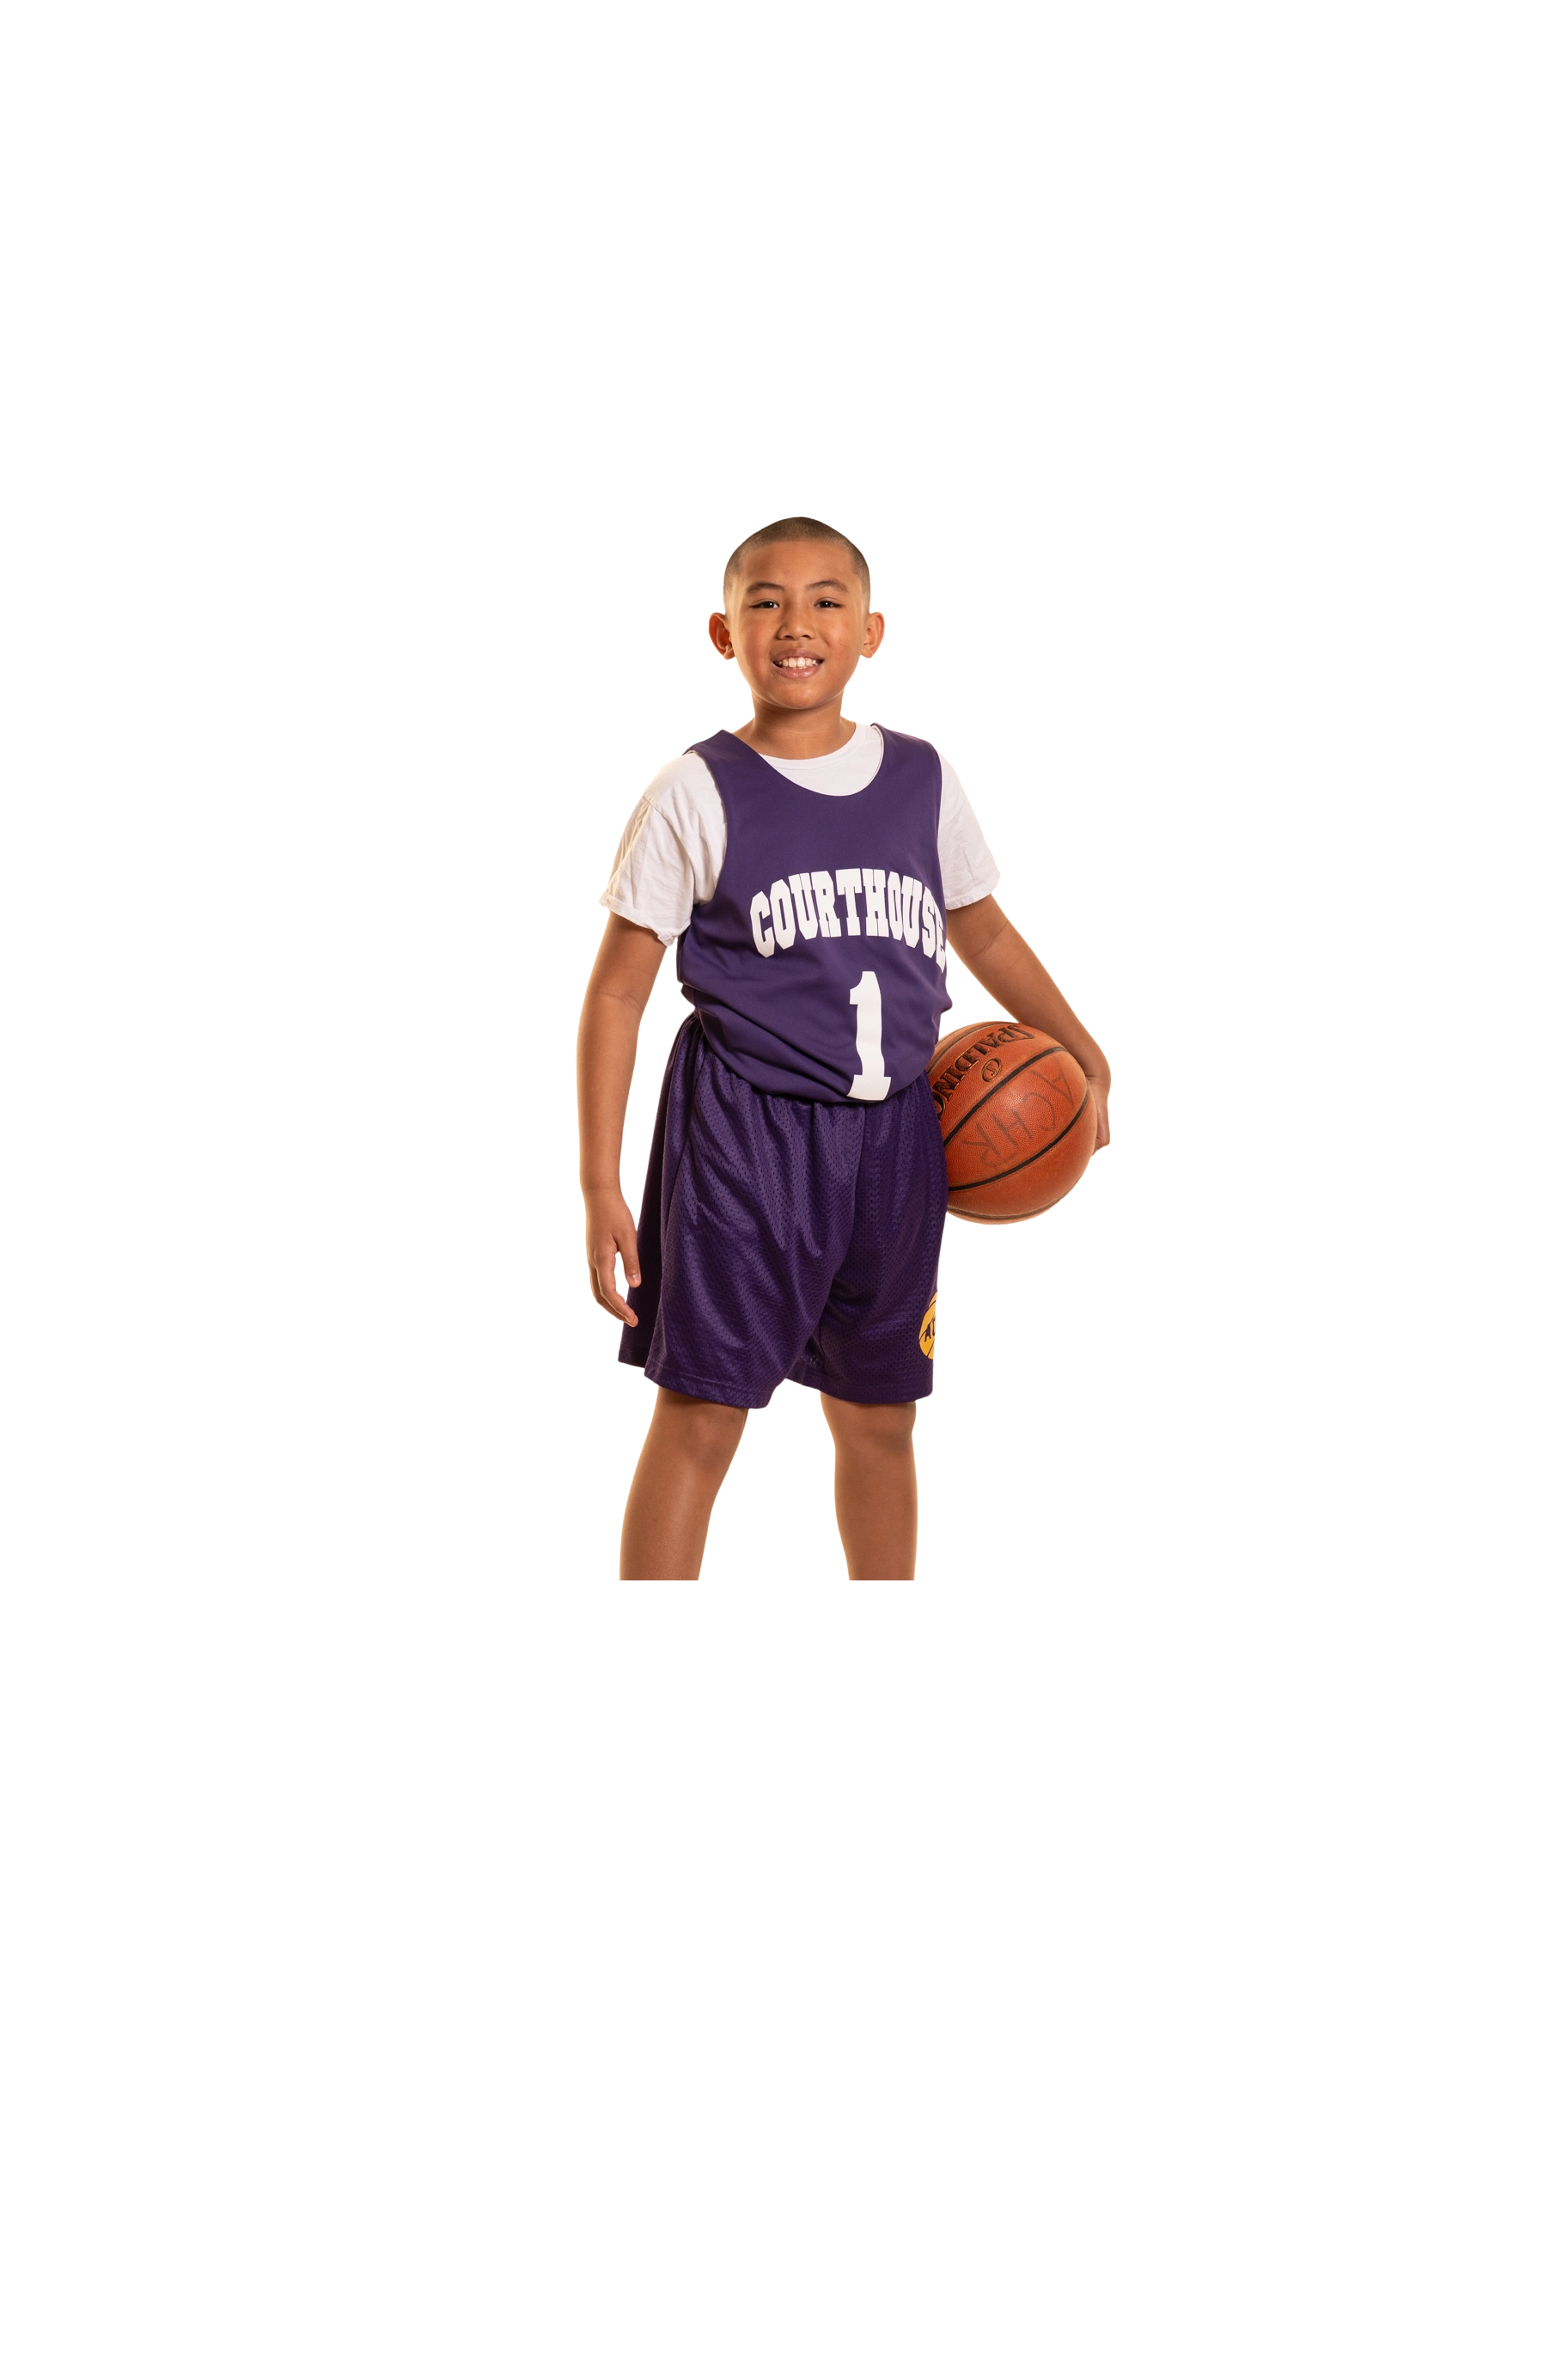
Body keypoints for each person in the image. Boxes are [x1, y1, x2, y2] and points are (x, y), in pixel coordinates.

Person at [577, 516, 1111, 1581]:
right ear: (723, 633)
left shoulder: (919, 776)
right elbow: (618, 989)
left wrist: (1084, 1052)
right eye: (765, 600)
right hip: (745, 1135)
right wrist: (599, 1182)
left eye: (826, 600)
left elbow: (983, 929)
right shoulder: (696, 789)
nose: (796, 623)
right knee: (701, 1413)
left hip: (897, 1135)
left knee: (879, 1414)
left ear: (870, 629)